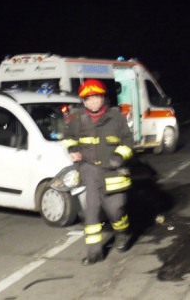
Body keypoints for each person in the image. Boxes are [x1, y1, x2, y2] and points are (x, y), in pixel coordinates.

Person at [63, 79, 135, 265]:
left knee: (116, 209)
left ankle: (123, 233)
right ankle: (94, 253)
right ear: (83, 101)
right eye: (88, 99)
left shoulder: (116, 118)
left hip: (112, 171)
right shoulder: (78, 119)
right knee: (92, 210)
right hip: (89, 170)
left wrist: (119, 156)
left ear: (103, 97)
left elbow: (128, 141)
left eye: (96, 97)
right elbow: (69, 138)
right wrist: (73, 150)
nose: (93, 102)